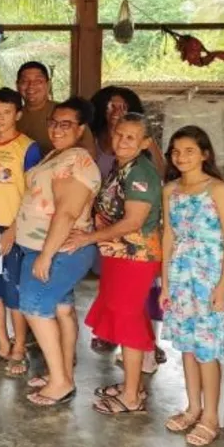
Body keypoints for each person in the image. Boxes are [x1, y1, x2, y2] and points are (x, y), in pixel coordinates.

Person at [69, 113, 163, 415]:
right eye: (119, 134)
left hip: (135, 257)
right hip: (119, 255)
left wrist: (88, 238)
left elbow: (133, 221)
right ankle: (129, 386)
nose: (122, 141)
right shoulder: (122, 167)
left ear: (145, 142)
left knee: (129, 318)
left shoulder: (141, 174)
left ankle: (132, 396)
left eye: (131, 137)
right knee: (125, 316)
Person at [13, 98, 101, 406]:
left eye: (65, 124)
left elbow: (66, 213)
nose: (56, 129)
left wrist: (47, 255)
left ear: (81, 129)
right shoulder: (57, 154)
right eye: (53, 122)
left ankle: (61, 382)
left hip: (58, 251)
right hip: (43, 248)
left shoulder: (77, 161)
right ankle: (60, 372)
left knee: (34, 306)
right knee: (62, 309)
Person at [160, 126, 224, 446]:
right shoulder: (170, 190)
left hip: (210, 279)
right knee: (188, 348)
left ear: (204, 154)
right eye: (176, 151)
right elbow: (168, 236)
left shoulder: (217, 189)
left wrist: (221, 287)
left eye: (190, 151)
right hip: (181, 277)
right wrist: (164, 284)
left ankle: (211, 418)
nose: (181, 157)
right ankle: (192, 408)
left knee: (207, 351)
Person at [0, 87, 41, 376]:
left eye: (6, 113)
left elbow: (32, 193)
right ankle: (2, 344)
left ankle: (19, 348)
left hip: (15, 229)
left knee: (14, 293)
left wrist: (14, 229)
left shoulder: (28, 147)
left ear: (18, 114)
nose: (0, 118)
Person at [16, 61, 95, 155]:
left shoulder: (66, 114)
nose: (31, 86)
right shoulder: (11, 116)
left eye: (38, 81)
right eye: (25, 81)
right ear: (17, 86)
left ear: (48, 85)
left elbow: (89, 153)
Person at [90, 86, 165, 179]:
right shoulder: (92, 136)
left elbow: (161, 171)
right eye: (111, 106)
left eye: (123, 107)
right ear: (101, 109)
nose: (116, 112)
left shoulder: (142, 137)